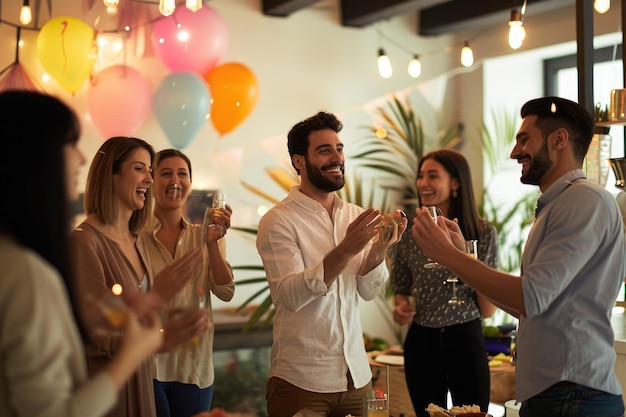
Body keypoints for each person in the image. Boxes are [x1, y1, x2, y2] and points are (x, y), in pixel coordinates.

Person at [411, 96, 626, 417]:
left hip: (573, 395)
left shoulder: (584, 200)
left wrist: (451, 258)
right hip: (558, 393)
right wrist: (461, 255)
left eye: (524, 139)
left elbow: (530, 297)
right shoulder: (559, 205)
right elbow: (529, 306)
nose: (514, 152)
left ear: (559, 140)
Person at [0, 90, 164, 417]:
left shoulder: (140, 240)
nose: (79, 158)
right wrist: (135, 348)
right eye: (69, 144)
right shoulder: (30, 272)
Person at [256, 111, 408, 417]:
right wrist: (345, 249)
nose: (337, 157)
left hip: (357, 379)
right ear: (299, 161)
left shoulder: (355, 215)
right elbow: (289, 295)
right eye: (324, 150)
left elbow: (366, 291)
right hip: (302, 381)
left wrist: (380, 248)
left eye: (339, 148)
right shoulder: (278, 220)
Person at [70, 137, 207, 417]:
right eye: (139, 168)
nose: (149, 177)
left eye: (150, 170)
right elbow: (97, 328)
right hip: (109, 390)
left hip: (143, 376)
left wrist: (161, 321)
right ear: (111, 174)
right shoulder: (84, 242)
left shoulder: (137, 241)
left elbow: (133, 316)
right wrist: (157, 302)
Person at [391, 149, 498, 415]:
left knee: (472, 415)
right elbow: (401, 287)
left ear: (455, 183)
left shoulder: (483, 234)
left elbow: (488, 310)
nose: (423, 183)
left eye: (433, 176)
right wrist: (402, 306)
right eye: (421, 176)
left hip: (465, 338)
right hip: (421, 342)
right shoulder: (410, 234)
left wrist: (464, 258)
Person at [144, 149, 235, 417]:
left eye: (182, 173)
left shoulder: (206, 235)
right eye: (165, 173)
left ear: (190, 183)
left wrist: (212, 245)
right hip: (148, 364)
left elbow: (226, 292)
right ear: (151, 181)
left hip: (194, 366)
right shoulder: (135, 236)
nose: (175, 180)